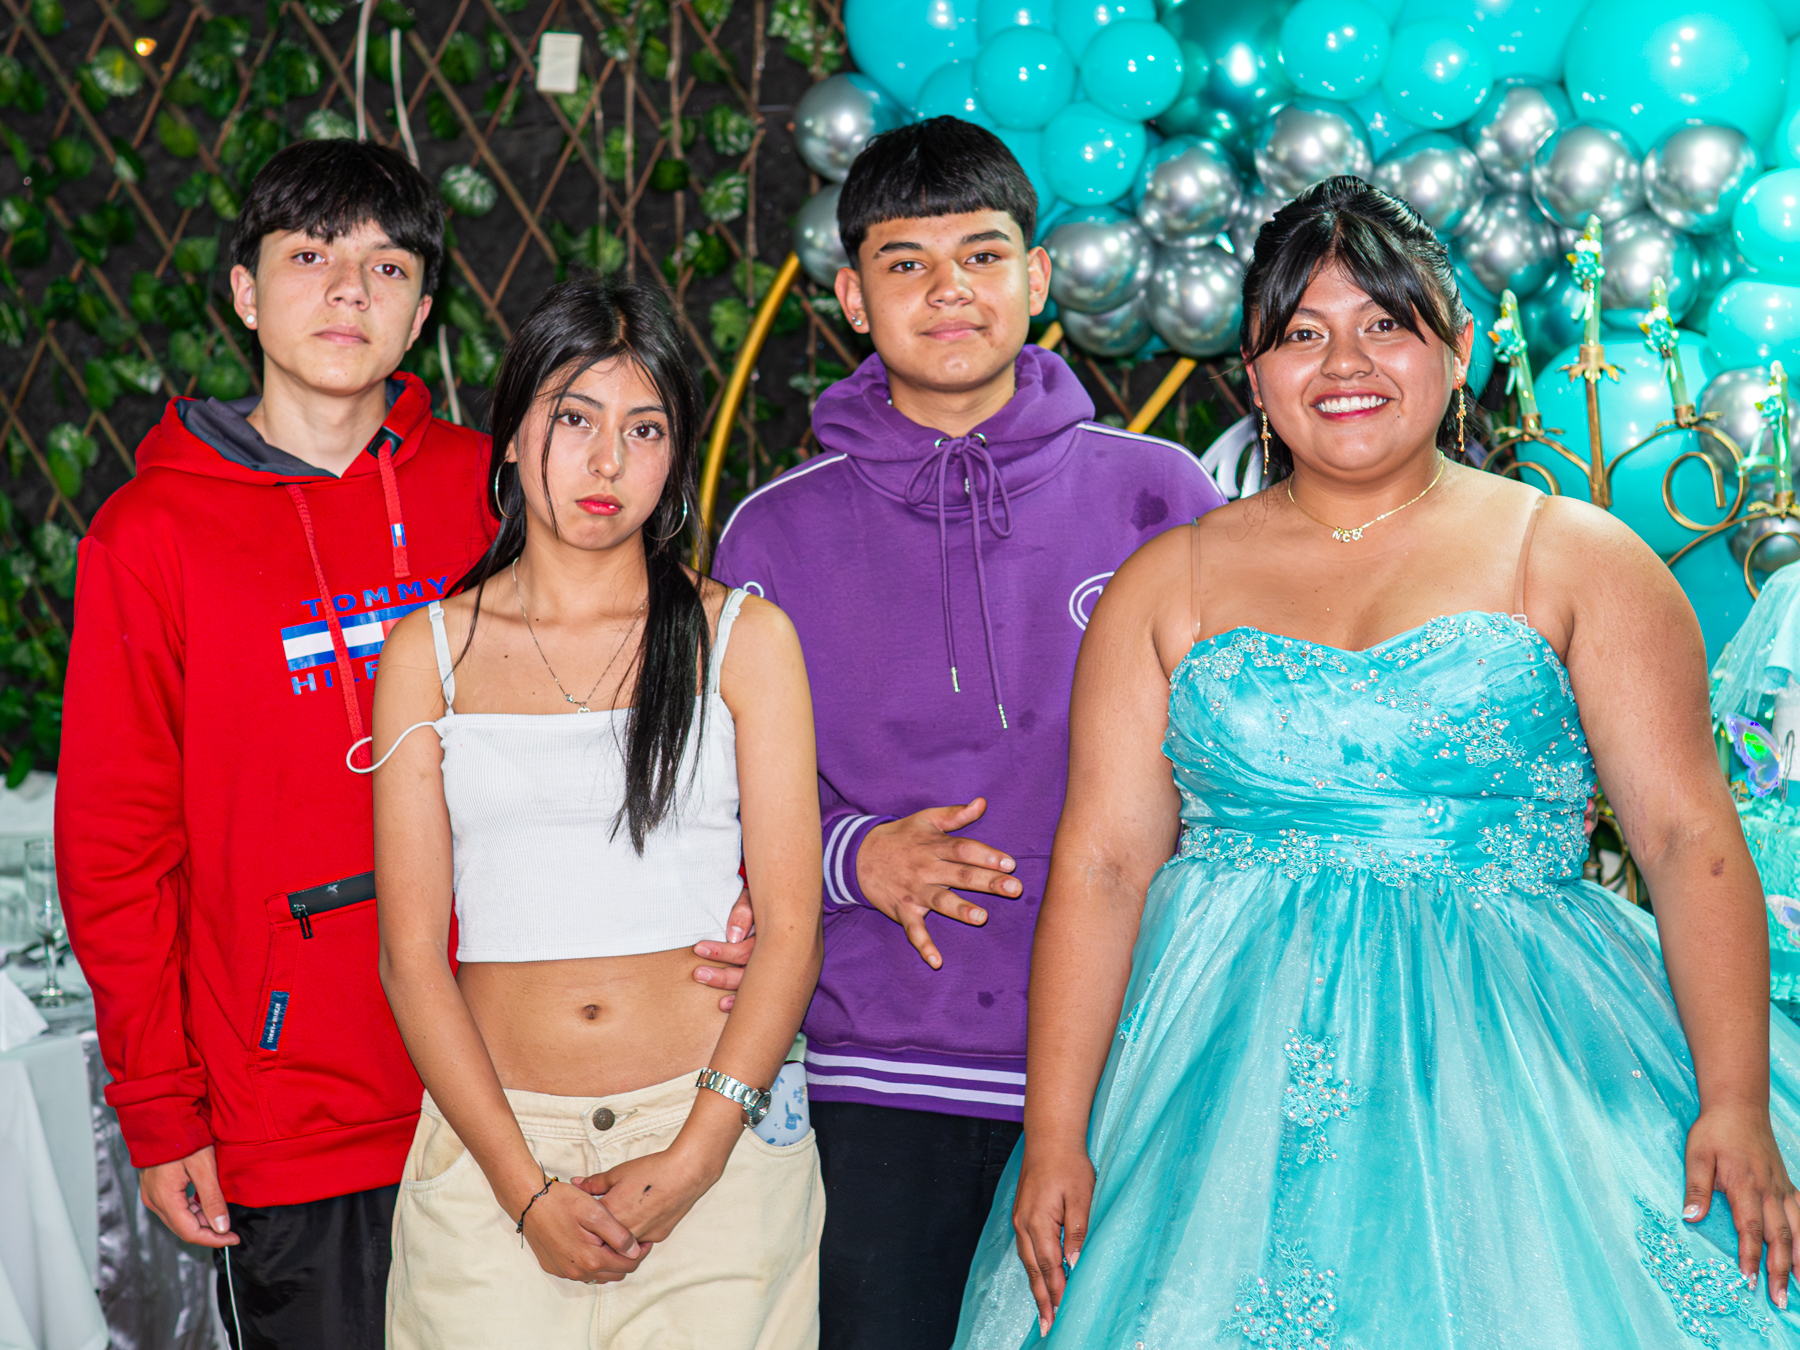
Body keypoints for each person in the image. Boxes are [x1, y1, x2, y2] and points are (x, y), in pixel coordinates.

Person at [953, 175, 1800, 1348]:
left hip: (1519, 1063)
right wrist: (1056, 1134)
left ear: (1458, 351)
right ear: (1255, 375)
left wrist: (1734, 1099)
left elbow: (1685, 838)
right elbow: (1101, 868)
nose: (1343, 363)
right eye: (1301, 334)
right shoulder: (1167, 580)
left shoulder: (1576, 557)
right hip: (1217, 1078)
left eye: (1384, 324)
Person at [53, 139, 758, 1349]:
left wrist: (727, 898)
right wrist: (160, 1107)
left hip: (530, 1084)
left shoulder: (501, 488)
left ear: (424, 311)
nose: (347, 292)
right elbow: (116, 847)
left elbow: (650, 699)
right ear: (244, 291)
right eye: (309, 258)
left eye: (386, 267)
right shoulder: (150, 534)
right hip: (298, 1102)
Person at [710, 116, 1226, 1350]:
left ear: (1038, 279)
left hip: (1131, 1056)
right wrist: (854, 856)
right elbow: (713, 799)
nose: (950, 290)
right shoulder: (773, 533)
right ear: (851, 297)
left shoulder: (1164, 496)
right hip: (879, 1066)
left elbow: (1242, 757)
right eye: (907, 263)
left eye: (984, 256)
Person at [373, 276, 825, 1348]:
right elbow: (409, 957)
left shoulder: (745, 639)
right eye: (574, 419)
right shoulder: (428, 653)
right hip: (495, 1153)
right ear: (512, 439)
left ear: (675, 457)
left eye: (644, 428)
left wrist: (697, 1157)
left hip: (711, 1141)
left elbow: (793, 928)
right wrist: (522, 1189)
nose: (607, 461)